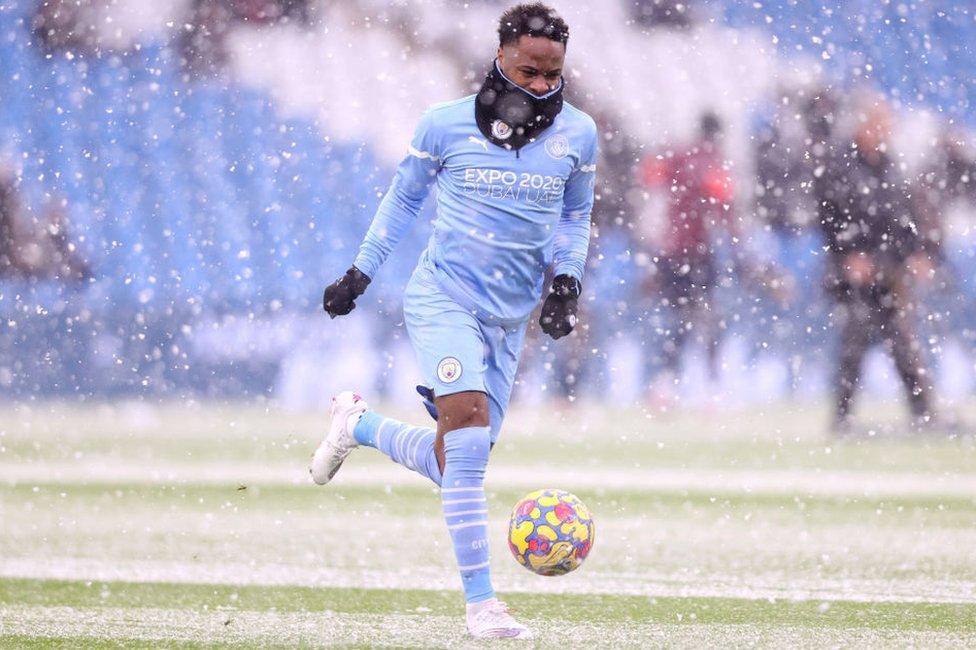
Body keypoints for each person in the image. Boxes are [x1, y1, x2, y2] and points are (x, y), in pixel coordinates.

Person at [312, 3, 596, 639]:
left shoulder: (579, 135)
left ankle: (358, 425)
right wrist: (361, 271)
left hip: (509, 317)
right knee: (466, 436)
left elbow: (576, 217)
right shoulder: (444, 125)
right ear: (500, 57)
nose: (543, 85)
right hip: (445, 299)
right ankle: (482, 605)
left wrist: (566, 283)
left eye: (554, 74)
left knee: (453, 464)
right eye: (530, 71)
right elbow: (404, 196)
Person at [808, 95, 938, 434]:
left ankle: (923, 412)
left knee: (902, 344)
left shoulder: (890, 167)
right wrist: (847, 254)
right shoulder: (841, 166)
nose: (884, 131)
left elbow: (903, 217)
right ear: (863, 126)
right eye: (879, 124)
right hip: (853, 274)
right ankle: (842, 416)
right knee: (855, 340)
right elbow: (830, 216)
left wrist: (914, 252)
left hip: (888, 270)